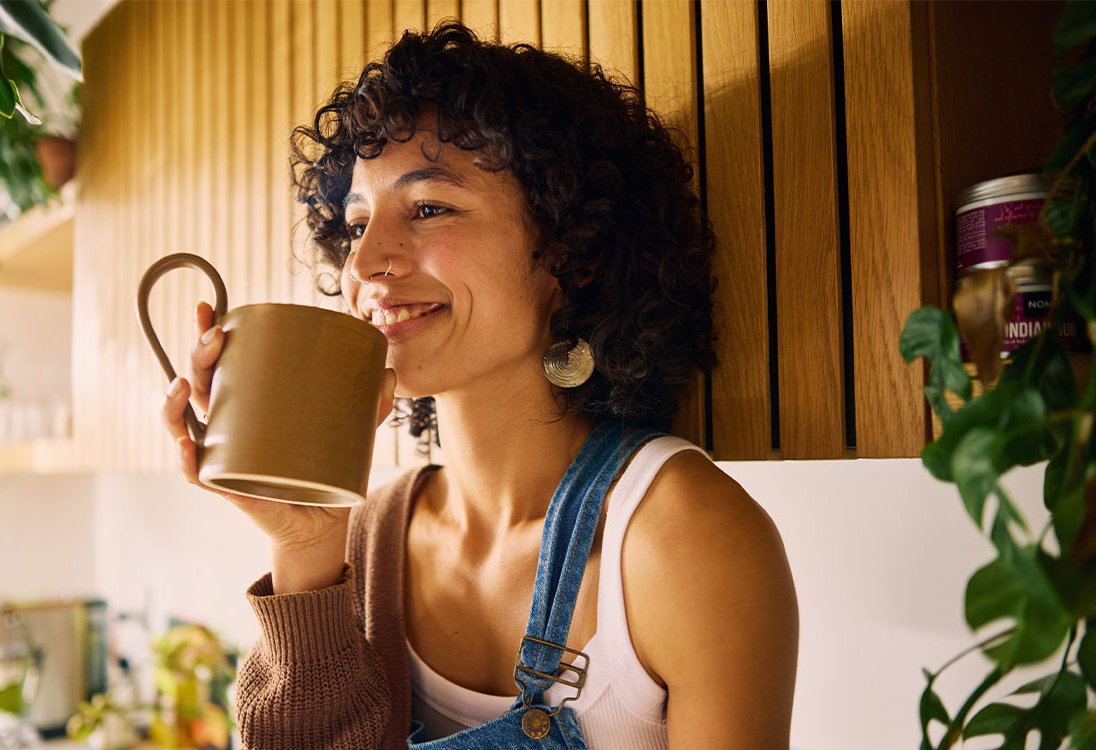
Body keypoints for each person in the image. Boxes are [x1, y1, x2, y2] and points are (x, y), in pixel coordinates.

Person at [160, 22, 798, 750]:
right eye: (356, 223)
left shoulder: (684, 537)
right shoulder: (368, 536)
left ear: (571, 253)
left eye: (429, 208)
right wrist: (306, 546)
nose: (365, 264)